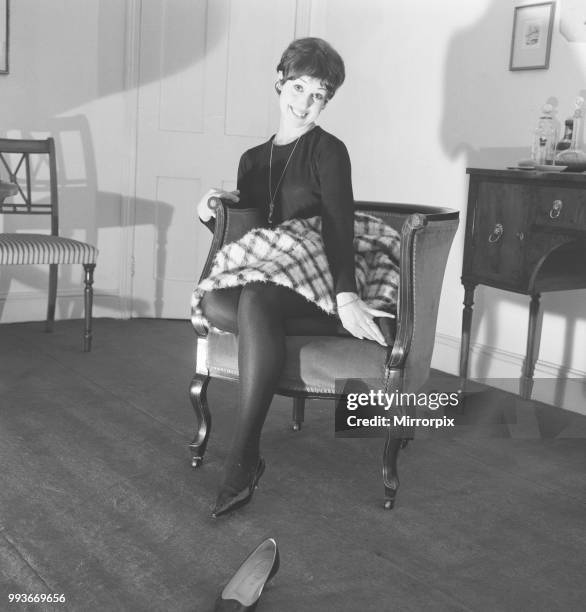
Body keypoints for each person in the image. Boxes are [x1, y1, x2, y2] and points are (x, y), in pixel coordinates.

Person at [196, 37, 394, 518]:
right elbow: (247, 241)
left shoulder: (330, 152)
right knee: (220, 302)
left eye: (319, 95)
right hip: (272, 274)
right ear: (279, 81)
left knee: (258, 301)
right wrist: (207, 215)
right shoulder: (251, 160)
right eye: (299, 86)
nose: (305, 102)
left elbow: (339, 225)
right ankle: (319, 325)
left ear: (328, 101)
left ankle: (244, 456)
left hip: (318, 274)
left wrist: (346, 292)